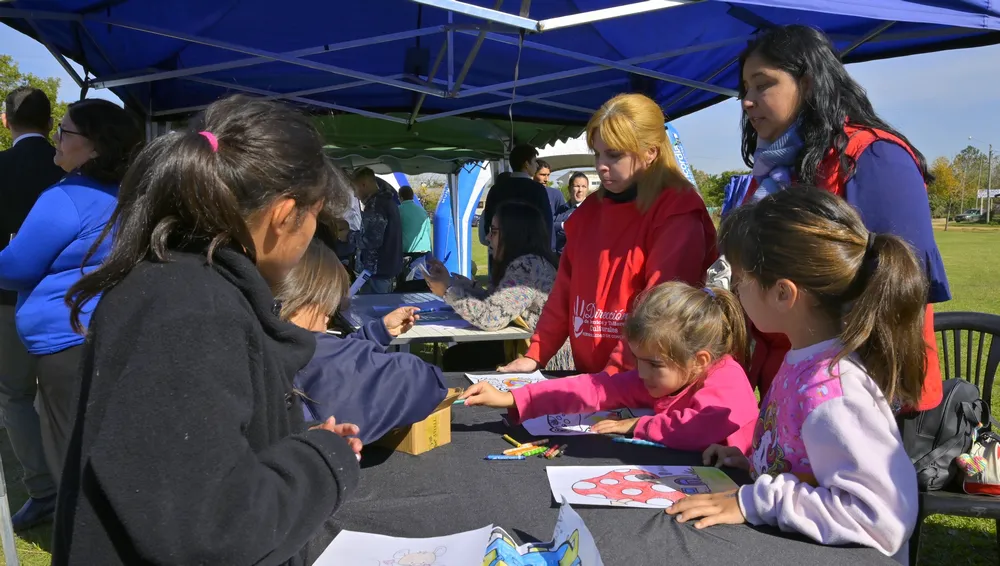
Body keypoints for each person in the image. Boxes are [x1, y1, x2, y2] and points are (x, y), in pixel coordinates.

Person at [56, 96, 362, 565]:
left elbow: (193, 458)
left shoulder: (182, 289)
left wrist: (294, 444)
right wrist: (324, 459)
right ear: (285, 215)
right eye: (316, 216)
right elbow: (214, 528)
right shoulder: (189, 310)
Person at [668, 188, 921, 564]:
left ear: (784, 294)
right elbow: (803, 463)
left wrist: (759, 499)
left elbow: (883, 519)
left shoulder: (834, 395)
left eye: (740, 280)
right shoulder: (802, 360)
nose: (735, 291)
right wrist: (754, 463)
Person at [732, 24, 947, 412]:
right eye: (745, 89)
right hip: (792, 388)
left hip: (871, 398)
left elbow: (904, 283)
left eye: (762, 85)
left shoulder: (874, 156)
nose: (748, 101)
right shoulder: (770, 171)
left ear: (809, 83)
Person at [500, 93, 717, 376]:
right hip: (593, 378)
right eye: (598, 153)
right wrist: (536, 354)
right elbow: (564, 291)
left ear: (650, 151)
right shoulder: (590, 211)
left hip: (646, 383)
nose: (601, 165)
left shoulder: (677, 212)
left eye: (614, 154)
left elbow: (662, 312)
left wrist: (609, 378)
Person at [0, 98, 141, 490]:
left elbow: (14, 267)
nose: (56, 139)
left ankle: (74, 536)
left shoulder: (67, 197)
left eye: (65, 132)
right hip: (98, 331)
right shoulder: (121, 194)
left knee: (69, 455)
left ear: (95, 145)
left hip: (66, 344)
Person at [460, 281, 758, 453]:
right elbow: (592, 388)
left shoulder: (726, 379)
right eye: (637, 359)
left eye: (653, 364)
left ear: (699, 361)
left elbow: (697, 428)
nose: (641, 373)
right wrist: (512, 397)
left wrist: (637, 425)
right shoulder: (665, 373)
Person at [275, 240, 448, 444]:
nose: (328, 318)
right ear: (308, 299)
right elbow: (421, 380)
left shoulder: (261, 343)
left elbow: (340, 361)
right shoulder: (310, 355)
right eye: (328, 309)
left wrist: (377, 333)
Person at [0, 86, 65, 530]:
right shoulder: (74, 172)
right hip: (70, 305)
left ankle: (43, 490)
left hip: (9, 302)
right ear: (49, 123)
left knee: (16, 396)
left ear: (6, 121)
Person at [424, 201, 573, 371]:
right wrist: (450, 283)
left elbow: (491, 317)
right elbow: (495, 302)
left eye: (493, 232)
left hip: (542, 360)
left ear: (515, 234)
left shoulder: (526, 267)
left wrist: (448, 291)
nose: (487, 238)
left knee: (458, 357)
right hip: (532, 351)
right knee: (460, 355)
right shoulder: (531, 262)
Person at [480, 144, 553, 249]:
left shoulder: (496, 189)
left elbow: (488, 222)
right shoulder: (537, 190)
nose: (537, 165)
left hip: (502, 251)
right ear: (526, 164)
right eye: (534, 161)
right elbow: (546, 224)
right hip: (530, 250)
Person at [344, 167, 403, 294]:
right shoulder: (388, 202)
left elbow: (371, 240)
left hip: (377, 272)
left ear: (363, 185)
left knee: (374, 311)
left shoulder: (376, 206)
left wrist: (347, 235)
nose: (355, 195)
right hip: (385, 270)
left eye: (355, 189)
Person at [554, 171, 589, 255]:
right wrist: (562, 225)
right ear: (569, 188)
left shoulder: (590, 211)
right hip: (557, 260)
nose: (580, 190)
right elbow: (551, 227)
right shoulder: (561, 209)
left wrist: (559, 227)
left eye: (583, 186)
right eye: (577, 186)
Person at [535, 158, 566, 249]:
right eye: (542, 175)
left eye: (548, 175)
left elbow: (562, 218)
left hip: (551, 247)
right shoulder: (526, 193)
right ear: (533, 174)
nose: (546, 179)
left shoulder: (556, 194)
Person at [398, 185, 431, 254]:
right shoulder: (422, 211)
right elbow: (428, 230)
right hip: (424, 248)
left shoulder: (398, 210)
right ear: (412, 196)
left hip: (408, 248)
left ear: (401, 197)